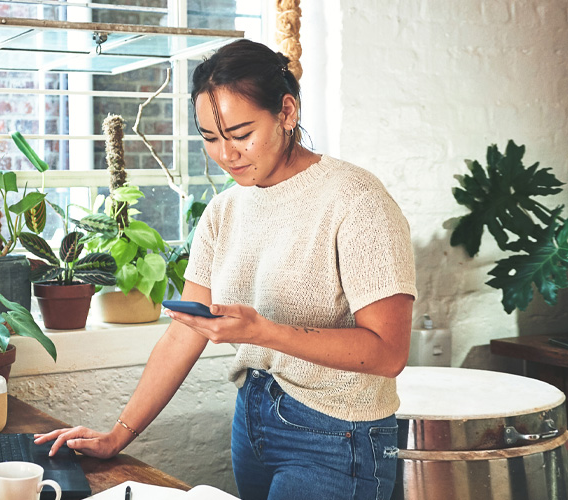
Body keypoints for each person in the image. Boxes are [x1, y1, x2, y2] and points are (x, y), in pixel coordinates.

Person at [33, 39, 417, 500]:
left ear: (287, 112)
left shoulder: (356, 200)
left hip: (338, 438)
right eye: (210, 138)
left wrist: (262, 332)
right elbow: (185, 330)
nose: (226, 154)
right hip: (252, 421)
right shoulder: (224, 209)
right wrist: (119, 434)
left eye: (240, 133)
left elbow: (388, 352)